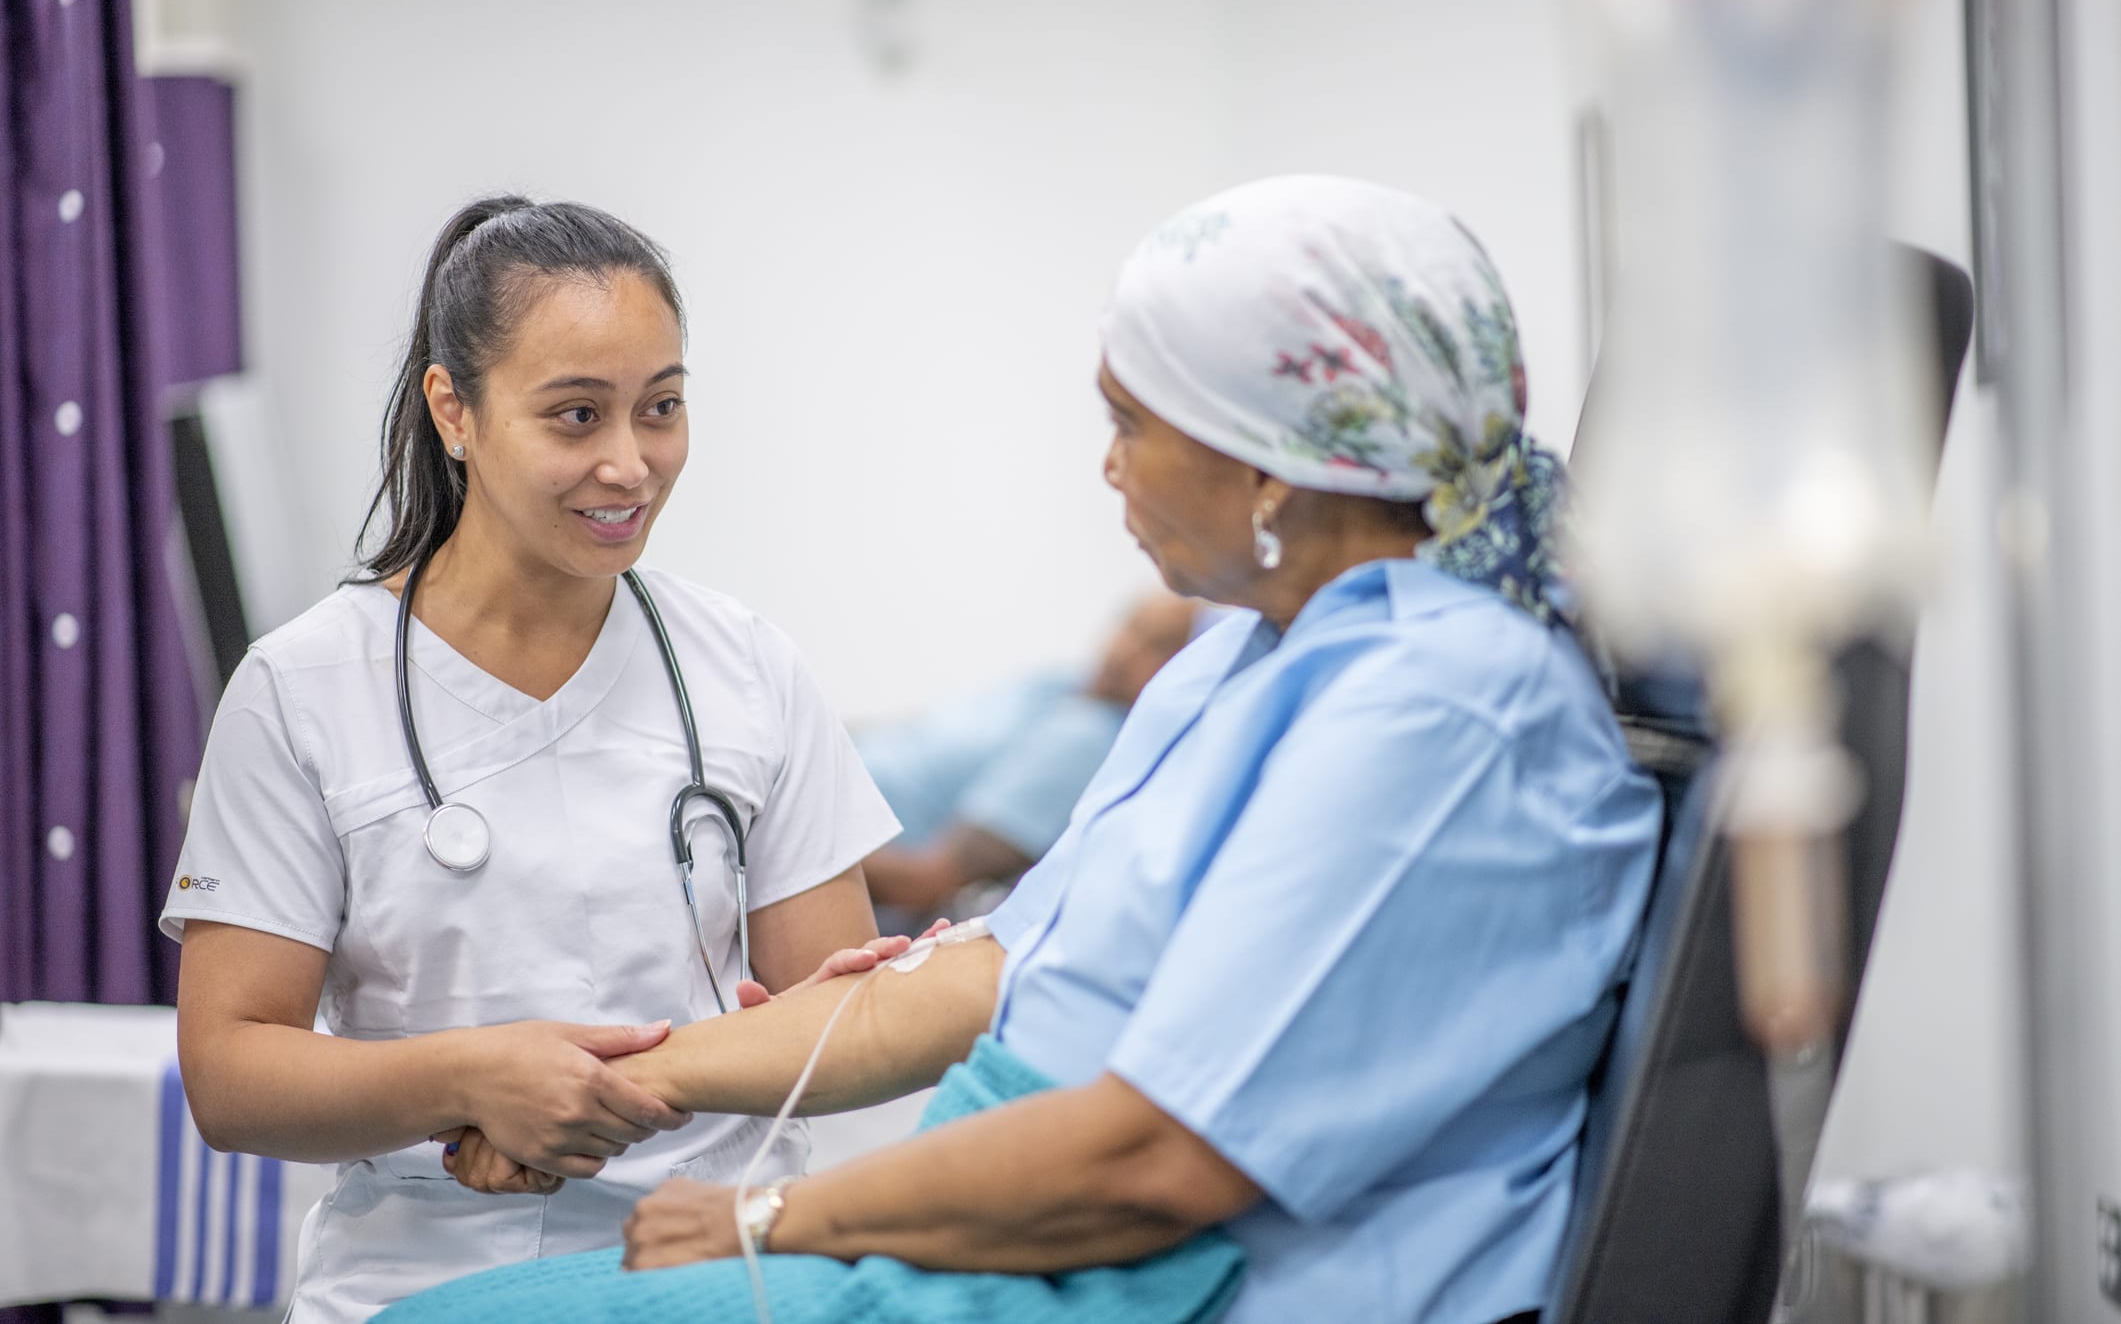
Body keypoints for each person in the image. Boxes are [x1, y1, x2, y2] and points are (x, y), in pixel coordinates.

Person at [385, 176, 1663, 1324]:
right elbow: (981, 978)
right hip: (1019, 1224)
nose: (1110, 466)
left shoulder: (1436, 713)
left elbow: (1154, 1160)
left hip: (1171, 1273)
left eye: (1133, 421)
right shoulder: (1250, 654)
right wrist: (601, 1087)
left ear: (1271, 464)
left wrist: (776, 1217)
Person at [159, 198, 914, 1322]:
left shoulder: (745, 668)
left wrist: (876, 1002)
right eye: (575, 416)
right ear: (452, 408)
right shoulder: (301, 688)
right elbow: (229, 1073)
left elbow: (844, 1024)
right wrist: (466, 1083)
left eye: (661, 408)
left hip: (706, 1269)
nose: (630, 465)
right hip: (418, 1275)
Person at [857, 593, 1198, 925]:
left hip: (845, 852)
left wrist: (817, 848)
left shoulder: (1087, 743)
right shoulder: (1056, 684)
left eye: (1159, 647)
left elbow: (924, 883)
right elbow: (915, 737)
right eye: (1132, 627)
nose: (1128, 651)